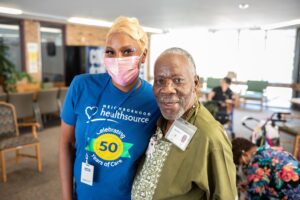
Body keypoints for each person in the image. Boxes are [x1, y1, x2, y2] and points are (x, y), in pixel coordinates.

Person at [59, 16, 160, 200]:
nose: (118, 59)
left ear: (143, 55)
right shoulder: (81, 87)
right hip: (83, 194)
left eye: (127, 51)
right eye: (110, 52)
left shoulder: (154, 100)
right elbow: (65, 143)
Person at [131, 47, 237, 200]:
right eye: (160, 81)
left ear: (195, 83)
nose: (167, 90)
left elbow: (225, 196)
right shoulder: (160, 120)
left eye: (177, 80)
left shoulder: (210, 136)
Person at [232, 137, 300, 200]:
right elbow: (271, 176)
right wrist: (249, 185)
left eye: (243, 164)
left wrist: (249, 190)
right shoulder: (271, 149)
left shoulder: (256, 160)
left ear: (245, 154)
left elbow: (255, 195)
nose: (245, 166)